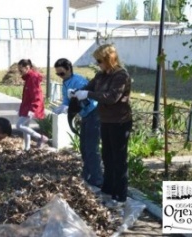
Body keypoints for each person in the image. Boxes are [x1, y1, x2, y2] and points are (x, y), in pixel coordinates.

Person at [69, 44, 132, 208]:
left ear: (109, 59)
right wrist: (76, 92)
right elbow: (87, 88)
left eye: (100, 61)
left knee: (118, 159)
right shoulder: (101, 75)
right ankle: (108, 190)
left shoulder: (121, 75)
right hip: (106, 121)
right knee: (107, 157)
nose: (98, 64)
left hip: (120, 122)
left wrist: (88, 94)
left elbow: (112, 97)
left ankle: (120, 196)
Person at [53, 58, 103, 188]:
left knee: (91, 148)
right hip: (85, 116)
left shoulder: (78, 81)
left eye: (62, 73)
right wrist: (63, 107)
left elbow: (84, 101)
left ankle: (97, 179)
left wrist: (72, 106)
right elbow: (66, 100)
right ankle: (88, 174)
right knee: (84, 147)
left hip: (93, 113)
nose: (60, 76)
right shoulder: (66, 83)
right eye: (57, 74)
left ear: (69, 69)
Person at [16, 59, 48, 150]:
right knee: (25, 127)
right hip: (27, 107)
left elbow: (37, 94)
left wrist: (33, 109)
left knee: (19, 125)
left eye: (20, 69)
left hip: (31, 107)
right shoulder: (29, 78)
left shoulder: (32, 78)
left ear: (27, 67)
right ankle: (27, 148)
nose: (19, 72)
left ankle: (40, 137)